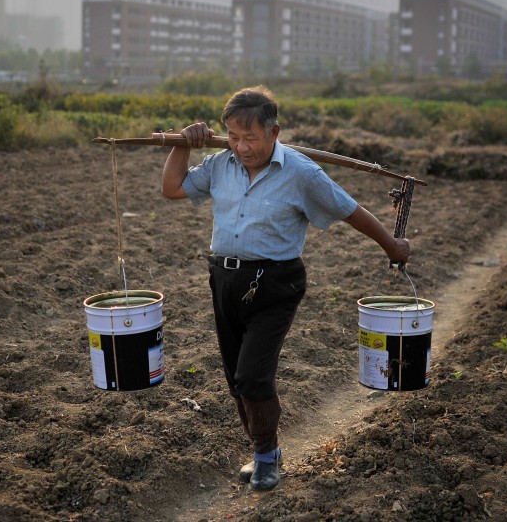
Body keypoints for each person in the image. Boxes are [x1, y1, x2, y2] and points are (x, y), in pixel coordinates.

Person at [161, 86, 411, 492]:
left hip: (276, 284)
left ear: (274, 132)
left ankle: (264, 457)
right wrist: (181, 145)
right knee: (236, 380)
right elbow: (172, 188)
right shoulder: (219, 164)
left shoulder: (301, 172)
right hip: (224, 280)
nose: (241, 147)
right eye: (234, 137)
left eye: (251, 138)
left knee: (253, 376)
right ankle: (264, 447)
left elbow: (351, 212)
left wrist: (393, 246)